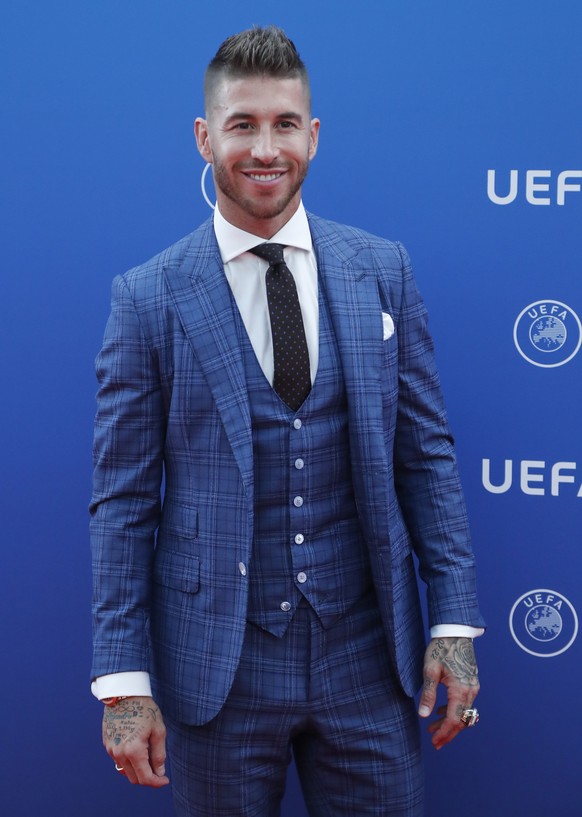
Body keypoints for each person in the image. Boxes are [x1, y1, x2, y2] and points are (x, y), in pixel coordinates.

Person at [90, 25, 485, 817]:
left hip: (369, 659)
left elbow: (427, 456)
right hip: (217, 667)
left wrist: (454, 620)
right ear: (206, 138)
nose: (265, 147)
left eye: (283, 124)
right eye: (242, 125)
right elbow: (123, 502)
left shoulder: (382, 269)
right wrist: (124, 682)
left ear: (313, 134)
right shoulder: (148, 297)